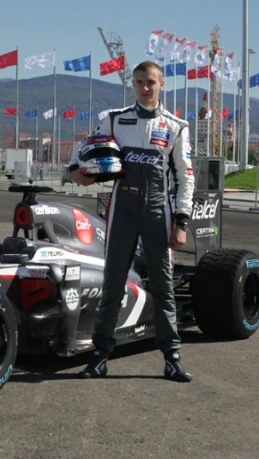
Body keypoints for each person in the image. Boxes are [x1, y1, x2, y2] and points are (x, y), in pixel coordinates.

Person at [69, 60, 195, 382]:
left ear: (161, 84)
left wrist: (181, 223)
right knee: (112, 284)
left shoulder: (176, 126)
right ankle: (99, 357)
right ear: (133, 85)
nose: (145, 87)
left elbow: (186, 178)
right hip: (121, 210)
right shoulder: (114, 119)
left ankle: (172, 358)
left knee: (163, 287)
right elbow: (83, 151)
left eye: (151, 82)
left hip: (158, 212)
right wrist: (76, 173)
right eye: (139, 82)